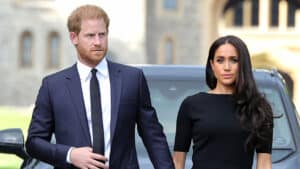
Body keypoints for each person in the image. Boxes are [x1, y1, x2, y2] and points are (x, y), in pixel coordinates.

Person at [26, 4, 174, 169]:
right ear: (74, 37)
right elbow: (34, 142)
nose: (97, 42)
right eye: (90, 36)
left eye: (102, 35)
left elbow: (153, 136)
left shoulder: (132, 79)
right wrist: (70, 154)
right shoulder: (53, 86)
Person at [173, 35, 273, 169]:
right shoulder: (191, 105)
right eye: (220, 60)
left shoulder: (258, 107)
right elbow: (178, 162)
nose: (227, 67)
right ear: (212, 65)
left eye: (234, 60)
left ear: (242, 64)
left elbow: (264, 163)